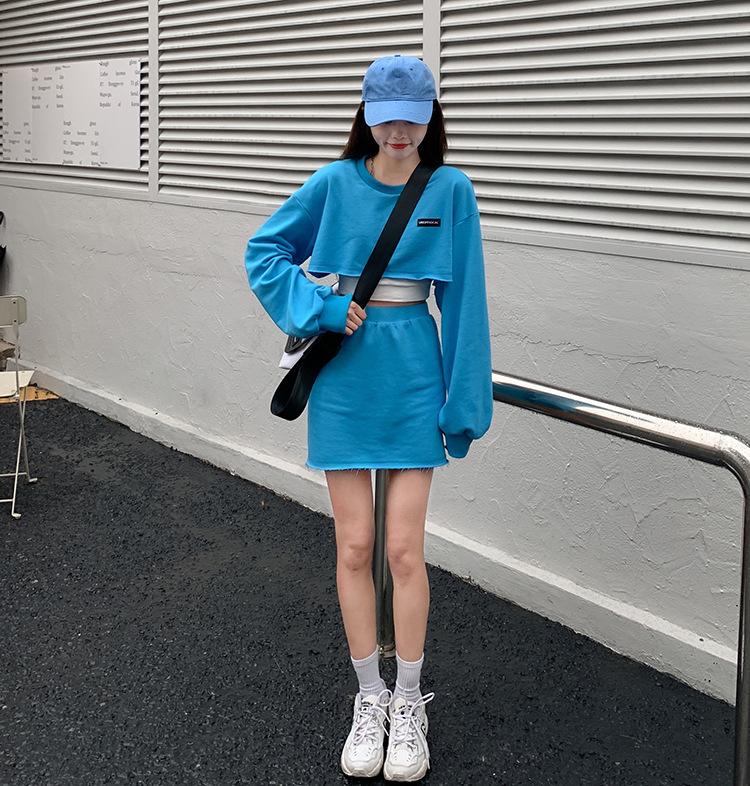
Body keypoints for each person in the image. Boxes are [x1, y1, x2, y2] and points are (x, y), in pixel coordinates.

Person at [244, 54, 492, 782]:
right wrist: (320, 306)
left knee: (404, 551)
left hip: (414, 374)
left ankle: (410, 702)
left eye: (412, 118)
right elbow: (264, 252)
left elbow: (466, 303)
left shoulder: (451, 189)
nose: (398, 132)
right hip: (346, 377)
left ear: (431, 116)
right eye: (386, 118)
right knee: (355, 547)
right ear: (366, 115)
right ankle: (370, 697)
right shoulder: (333, 182)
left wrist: (463, 404)